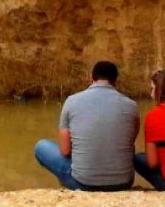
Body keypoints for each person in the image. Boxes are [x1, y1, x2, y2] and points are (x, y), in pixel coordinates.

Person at [34, 61, 139, 191]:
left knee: (41, 146)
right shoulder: (132, 106)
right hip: (123, 182)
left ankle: (66, 184)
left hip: (83, 183)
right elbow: (130, 145)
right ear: (115, 80)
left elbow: (65, 150)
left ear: (91, 77)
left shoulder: (71, 101)